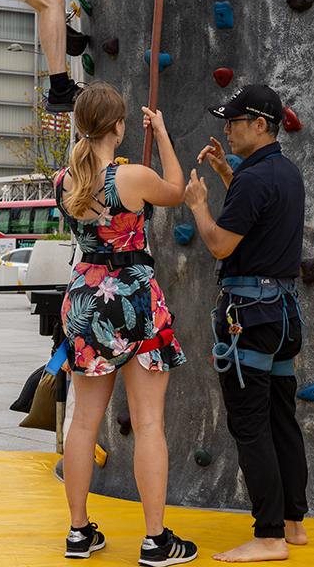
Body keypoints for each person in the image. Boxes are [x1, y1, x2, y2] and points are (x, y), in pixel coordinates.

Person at [55, 83, 197, 566]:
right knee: (149, 421)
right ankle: (155, 540)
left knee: (83, 423)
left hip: (84, 299)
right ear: (118, 126)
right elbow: (176, 190)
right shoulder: (131, 178)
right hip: (133, 298)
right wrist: (162, 132)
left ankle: (78, 532)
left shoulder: (64, 182)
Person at [182, 85, 309, 563]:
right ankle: (293, 523)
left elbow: (220, 245)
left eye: (234, 122)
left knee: (250, 425)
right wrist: (223, 172)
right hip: (282, 315)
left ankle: (269, 535)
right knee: (281, 419)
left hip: (248, 317)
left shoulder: (255, 180)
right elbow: (258, 212)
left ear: (260, 124)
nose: (226, 130)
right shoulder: (283, 173)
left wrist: (198, 204)